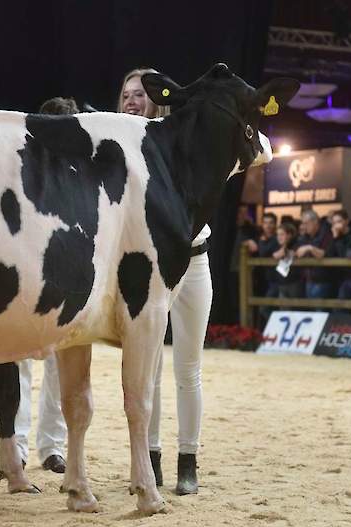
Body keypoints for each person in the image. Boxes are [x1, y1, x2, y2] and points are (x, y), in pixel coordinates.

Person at [119, 68, 207, 495]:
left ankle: (187, 461)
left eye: (140, 94)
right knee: (147, 369)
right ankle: (148, 459)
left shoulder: (179, 140)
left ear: (156, 99)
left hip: (195, 259)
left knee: (188, 368)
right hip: (148, 263)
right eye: (126, 94)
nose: (132, 100)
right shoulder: (118, 141)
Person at [12, 96, 82, 475]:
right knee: (19, 357)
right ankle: (19, 444)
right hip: (28, 274)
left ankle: (50, 447)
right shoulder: (23, 169)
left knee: (61, 363)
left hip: (67, 275)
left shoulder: (81, 174)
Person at [295, 210, 335, 298]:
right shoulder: (304, 237)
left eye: (306, 223)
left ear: (315, 221)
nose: (304, 226)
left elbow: (324, 254)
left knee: (320, 310)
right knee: (311, 310)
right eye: (303, 223)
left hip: (323, 280)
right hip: (308, 279)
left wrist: (309, 248)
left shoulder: (327, 234)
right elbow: (297, 252)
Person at [273, 222, 303, 298]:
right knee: (283, 308)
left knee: (295, 308)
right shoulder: (277, 246)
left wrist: (284, 251)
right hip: (281, 283)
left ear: (289, 235)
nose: (279, 237)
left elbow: (290, 254)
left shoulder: (297, 244)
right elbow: (276, 255)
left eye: (282, 234)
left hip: (294, 284)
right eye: (278, 235)